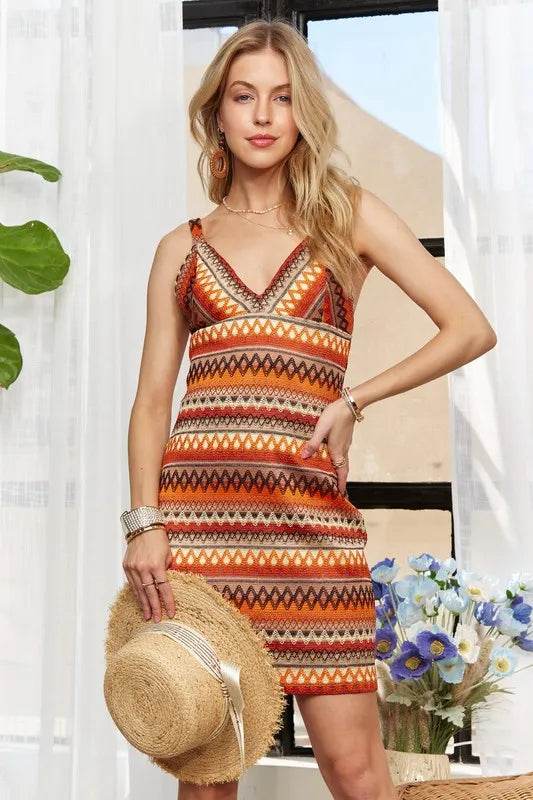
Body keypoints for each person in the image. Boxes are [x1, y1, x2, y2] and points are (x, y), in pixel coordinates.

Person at [121, 17, 497, 800]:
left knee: (355, 774)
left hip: (309, 533)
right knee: (207, 777)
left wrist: (355, 398)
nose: (262, 115)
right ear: (216, 112)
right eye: (243, 96)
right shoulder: (181, 248)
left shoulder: (345, 217)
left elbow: (468, 328)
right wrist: (144, 525)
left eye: (283, 97)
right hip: (199, 541)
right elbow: (153, 400)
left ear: (304, 114)